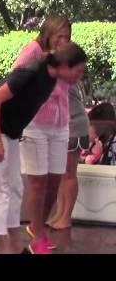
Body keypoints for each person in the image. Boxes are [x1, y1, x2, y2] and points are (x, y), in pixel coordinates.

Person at [0, 42, 87, 253]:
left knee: (16, 186)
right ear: (64, 65)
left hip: (11, 132)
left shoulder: (53, 78)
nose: (79, 77)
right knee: (1, 189)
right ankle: (4, 246)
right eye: (78, 71)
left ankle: (14, 239)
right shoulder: (31, 71)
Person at [13, 15, 72, 254]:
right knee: (37, 182)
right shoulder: (33, 50)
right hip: (35, 123)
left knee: (55, 179)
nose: (65, 41)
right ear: (48, 34)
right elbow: (15, 78)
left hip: (60, 123)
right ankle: (38, 235)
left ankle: (37, 225)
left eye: (68, 37)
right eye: (61, 36)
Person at [47, 82, 90, 230]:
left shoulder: (61, 77)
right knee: (62, 173)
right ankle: (60, 214)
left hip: (74, 125)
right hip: (64, 126)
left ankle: (66, 217)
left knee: (69, 173)